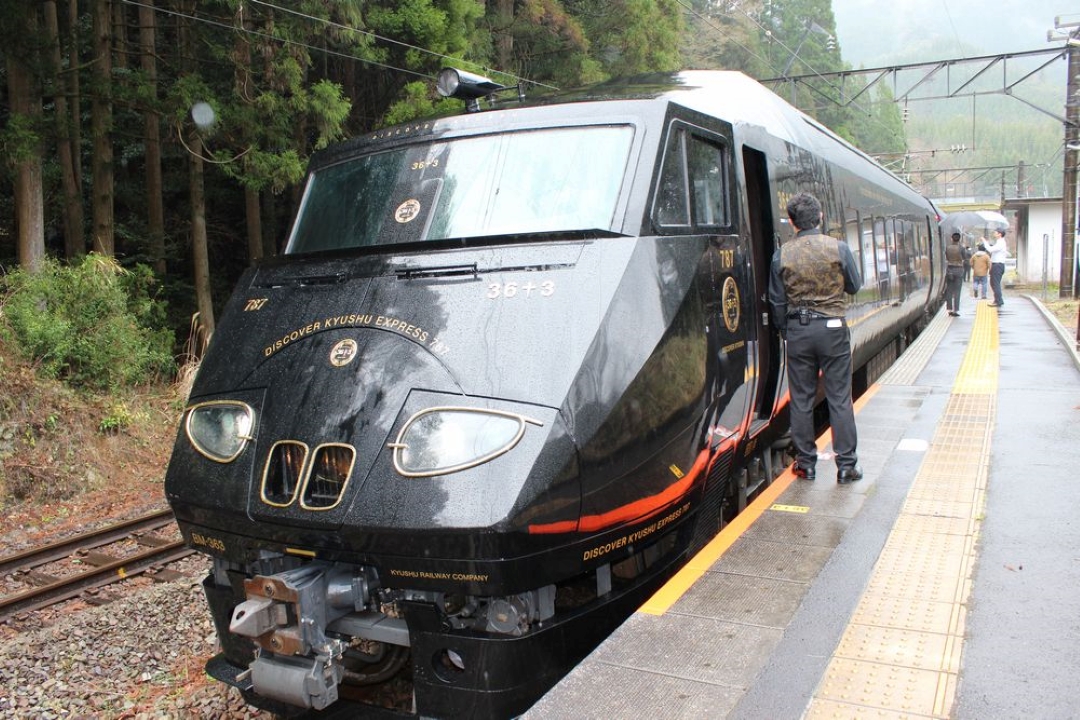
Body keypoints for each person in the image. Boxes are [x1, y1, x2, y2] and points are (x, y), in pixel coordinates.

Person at [769, 192, 863, 484]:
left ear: (793, 223)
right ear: (820, 218)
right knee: (839, 398)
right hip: (833, 329)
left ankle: (806, 465)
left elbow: (776, 301)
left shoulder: (782, 254)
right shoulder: (838, 248)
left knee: (801, 399)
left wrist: (787, 331)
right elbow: (854, 286)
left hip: (799, 330)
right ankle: (846, 466)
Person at [984, 228, 1009, 307]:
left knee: (995, 284)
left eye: (995, 232)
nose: (994, 233)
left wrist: (984, 242)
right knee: (993, 283)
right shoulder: (999, 242)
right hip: (996, 265)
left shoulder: (1001, 242)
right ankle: (998, 300)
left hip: (997, 265)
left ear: (1000, 234)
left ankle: (998, 301)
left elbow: (990, 249)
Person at [944, 232, 965, 316]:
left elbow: (947, 257)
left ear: (951, 238)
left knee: (949, 290)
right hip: (959, 270)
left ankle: (949, 309)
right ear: (959, 239)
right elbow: (964, 257)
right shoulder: (961, 248)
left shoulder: (947, 248)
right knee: (957, 290)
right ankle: (955, 310)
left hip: (950, 269)